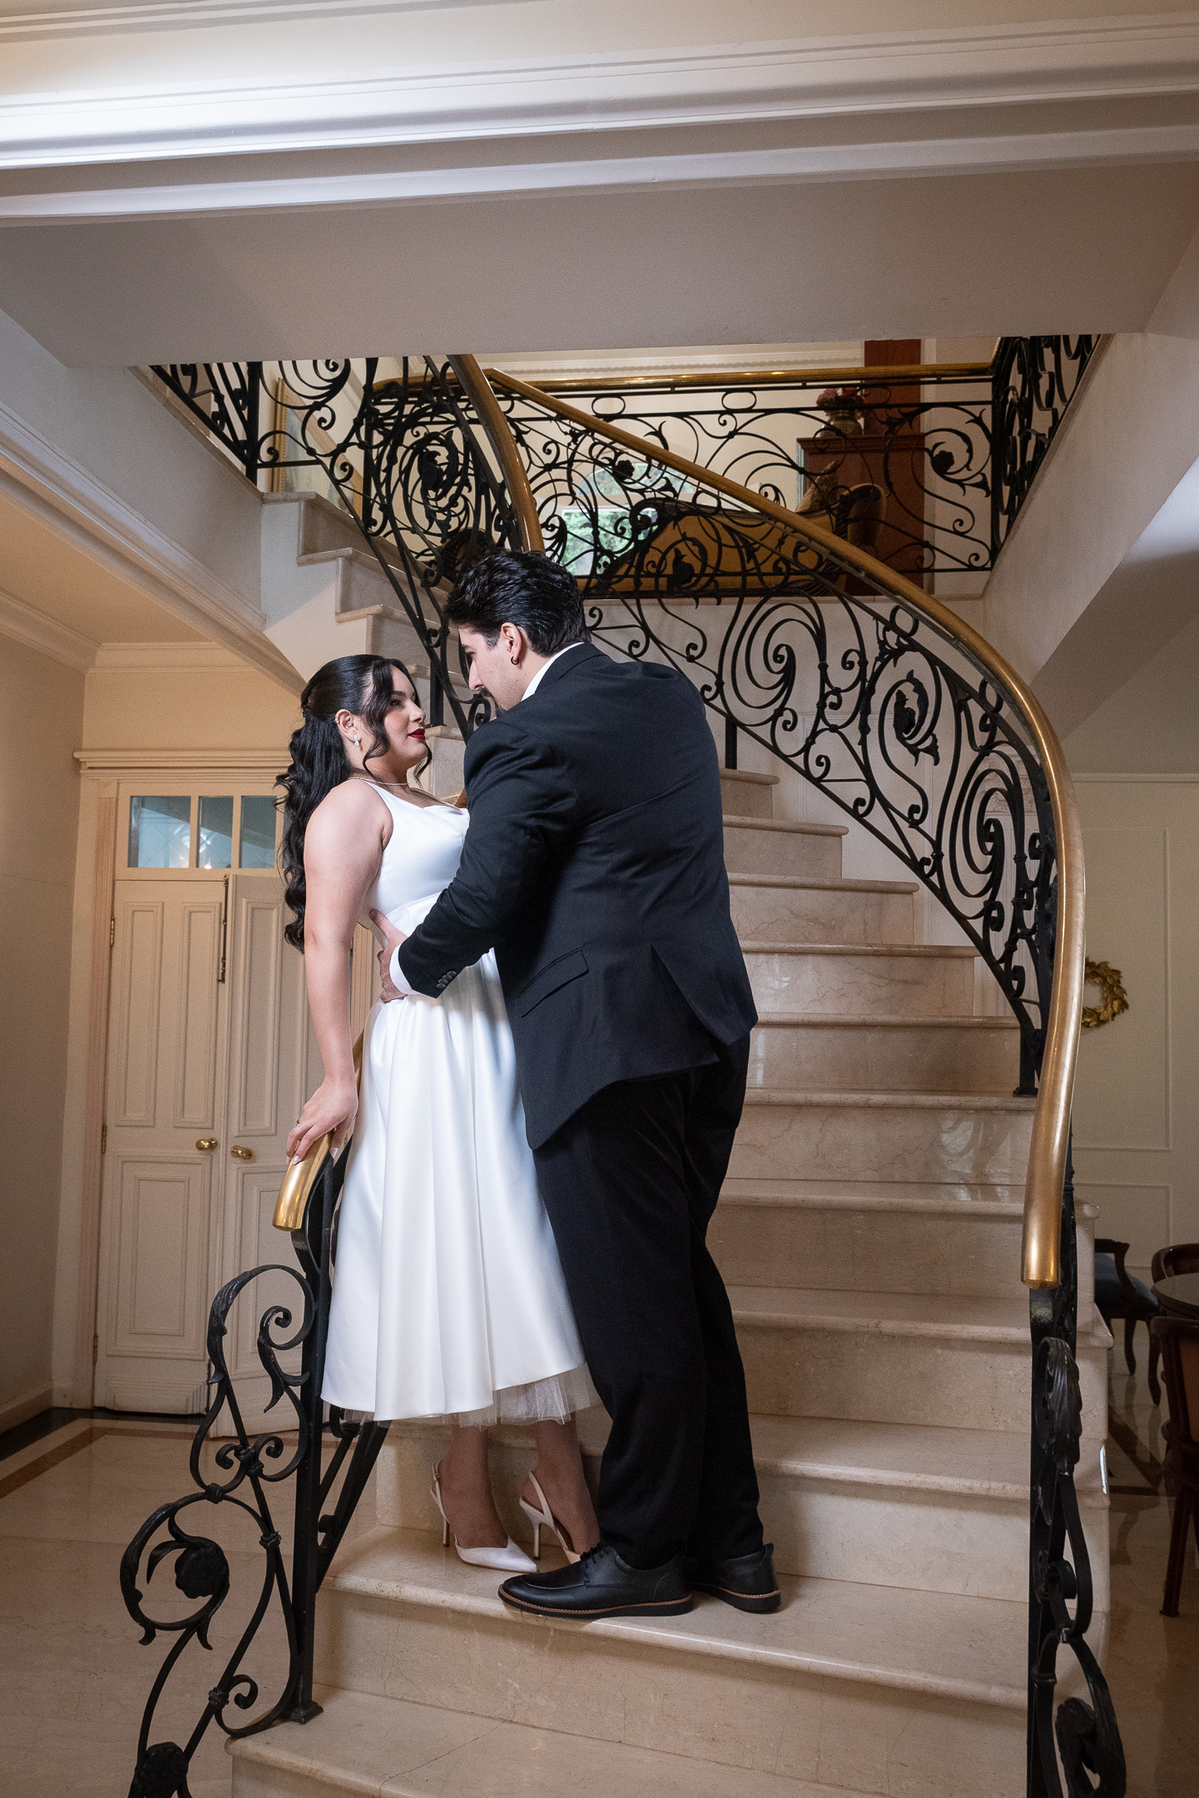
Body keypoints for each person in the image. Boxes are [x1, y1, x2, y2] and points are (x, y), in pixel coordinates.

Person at [372, 552, 779, 1621]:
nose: (473, 681)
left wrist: (409, 967)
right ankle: (734, 1542)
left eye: (472, 655)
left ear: (513, 639)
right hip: (705, 1031)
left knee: (634, 1312)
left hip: (606, 1049)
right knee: (678, 1287)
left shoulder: (525, 737)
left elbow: (488, 893)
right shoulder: (666, 697)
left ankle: (643, 1551)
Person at [280, 653, 600, 1574]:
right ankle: (538, 1478)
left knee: (515, 1239)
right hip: (436, 1044)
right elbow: (327, 943)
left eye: (417, 695)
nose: (419, 710)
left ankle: (495, 1475)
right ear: (350, 726)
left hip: (499, 1028)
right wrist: (338, 1077)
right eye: (395, 701)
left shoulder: (431, 800)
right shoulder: (350, 807)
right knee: (482, 1236)